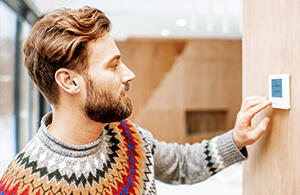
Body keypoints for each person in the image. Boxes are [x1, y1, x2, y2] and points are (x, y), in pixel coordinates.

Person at [0, 7, 272, 195]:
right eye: (113, 65)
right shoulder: (23, 186)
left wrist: (236, 139)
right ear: (69, 82)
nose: (129, 74)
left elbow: (181, 164)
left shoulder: (124, 134)